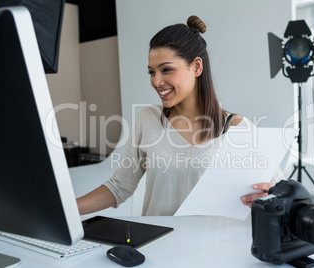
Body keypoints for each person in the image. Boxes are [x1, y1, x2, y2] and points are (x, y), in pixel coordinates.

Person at [77, 15, 277, 216]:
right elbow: (119, 187)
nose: (156, 81)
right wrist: (65, 211)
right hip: (157, 244)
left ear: (197, 67)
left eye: (166, 70)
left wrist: (268, 196)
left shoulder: (237, 129)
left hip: (214, 246)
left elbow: (277, 190)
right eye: (151, 72)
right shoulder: (149, 119)